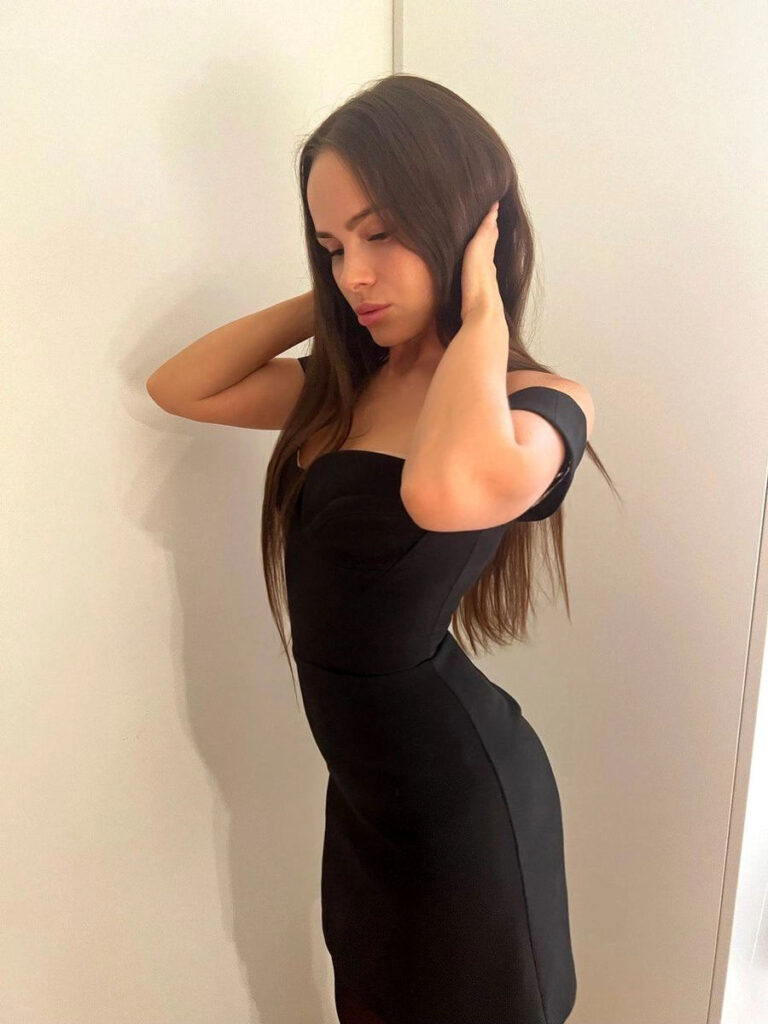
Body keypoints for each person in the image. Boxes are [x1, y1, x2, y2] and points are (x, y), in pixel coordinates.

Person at [148, 73, 617, 1024]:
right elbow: (181, 386)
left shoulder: (540, 404)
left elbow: (445, 492)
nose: (355, 272)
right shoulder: (349, 383)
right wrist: (334, 294)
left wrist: (481, 311)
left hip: (462, 808)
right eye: (332, 246)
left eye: (384, 233)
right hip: (367, 802)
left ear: (471, 228)